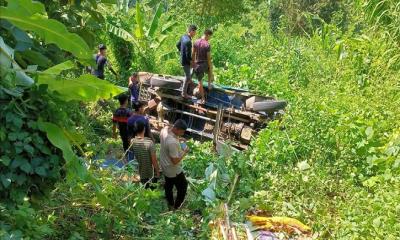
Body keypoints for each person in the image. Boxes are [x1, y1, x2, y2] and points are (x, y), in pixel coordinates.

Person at [160, 119, 190, 210]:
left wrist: (178, 138)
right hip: (172, 169)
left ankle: (170, 202)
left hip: (164, 164)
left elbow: (168, 128)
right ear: (176, 129)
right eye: (182, 132)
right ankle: (177, 206)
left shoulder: (164, 131)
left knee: (168, 185)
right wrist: (184, 152)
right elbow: (175, 161)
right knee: (183, 186)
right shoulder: (172, 142)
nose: (183, 134)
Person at [130, 120, 160, 189]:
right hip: (150, 172)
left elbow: (133, 153)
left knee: (144, 186)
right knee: (151, 188)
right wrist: (157, 172)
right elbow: (154, 161)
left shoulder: (132, 141)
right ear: (144, 129)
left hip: (140, 170)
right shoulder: (149, 143)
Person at [192, 29, 214, 103]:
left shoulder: (195, 42)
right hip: (204, 65)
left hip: (197, 65)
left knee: (200, 82)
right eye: (210, 37)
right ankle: (209, 85)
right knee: (210, 68)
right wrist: (210, 68)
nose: (209, 38)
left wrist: (193, 63)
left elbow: (193, 54)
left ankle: (203, 99)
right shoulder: (207, 45)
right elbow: (208, 59)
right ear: (207, 35)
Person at [176, 24, 197, 99]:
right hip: (185, 62)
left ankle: (188, 82)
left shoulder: (183, 37)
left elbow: (177, 45)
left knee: (190, 72)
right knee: (187, 76)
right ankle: (184, 93)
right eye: (195, 32)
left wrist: (181, 52)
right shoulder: (188, 41)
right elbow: (188, 56)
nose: (195, 34)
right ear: (191, 31)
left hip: (182, 59)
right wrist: (192, 62)